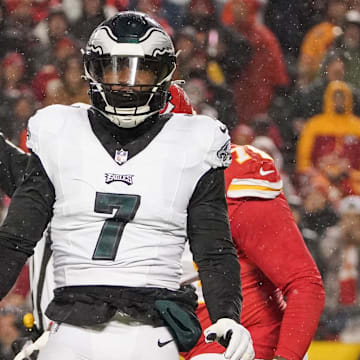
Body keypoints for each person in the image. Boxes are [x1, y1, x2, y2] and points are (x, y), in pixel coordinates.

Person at [0, 11, 254, 360]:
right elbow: (17, 239)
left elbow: (213, 249)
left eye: (141, 71)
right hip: (71, 325)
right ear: (94, 70)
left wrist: (227, 314)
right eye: (117, 70)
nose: (128, 84)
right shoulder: (60, 130)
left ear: (163, 75)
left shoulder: (196, 140)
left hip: (150, 330)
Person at [181, 144, 325, 360]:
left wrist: (286, 356)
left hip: (240, 342)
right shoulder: (130, 170)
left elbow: (304, 283)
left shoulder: (229, 175)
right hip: (167, 330)